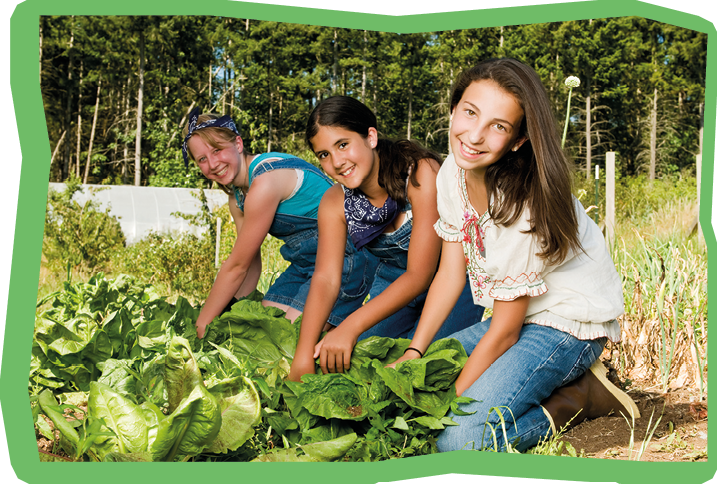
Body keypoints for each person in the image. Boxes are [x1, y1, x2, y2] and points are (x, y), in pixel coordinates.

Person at [388, 58, 640, 452]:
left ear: (518, 140)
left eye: (498, 126)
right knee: (416, 380)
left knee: (456, 440)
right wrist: (414, 351)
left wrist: (449, 404)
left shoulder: (521, 202)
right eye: (469, 113)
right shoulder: (451, 172)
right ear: (453, 109)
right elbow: (450, 275)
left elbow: (504, 331)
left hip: (565, 325)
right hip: (517, 316)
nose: (474, 135)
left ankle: (579, 398)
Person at [288, 96, 483, 382]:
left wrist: (349, 326)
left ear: (370, 136)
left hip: (452, 281)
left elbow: (421, 273)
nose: (337, 162)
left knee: (426, 370)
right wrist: (303, 356)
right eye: (323, 155)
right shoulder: (333, 202)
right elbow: (326, 278)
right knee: (359, 361)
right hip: (392, 281)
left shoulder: (419, 172)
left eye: (343, 145)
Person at [181, 108, 374, 339]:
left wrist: (202, 326)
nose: (212, 164)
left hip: (347, 259)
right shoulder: (237, 198)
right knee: (262, 325)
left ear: (238, 144)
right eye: (202, 159)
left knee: (287, 335)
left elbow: (235, 267)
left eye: (217, 150)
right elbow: (250, 264)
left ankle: (355, 326)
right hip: (306, 266)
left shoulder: (265, 180)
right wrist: (231, 313)